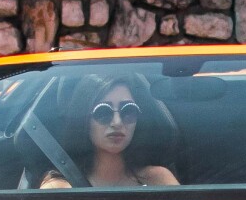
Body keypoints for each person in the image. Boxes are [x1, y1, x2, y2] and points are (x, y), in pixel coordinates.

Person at [41, 76, 178, 189]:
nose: (117, 122)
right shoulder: (59, 189)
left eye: (128, 111)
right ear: (84, 120)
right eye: (103, 112)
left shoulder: (158, 180)